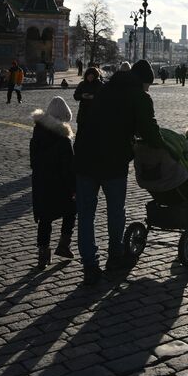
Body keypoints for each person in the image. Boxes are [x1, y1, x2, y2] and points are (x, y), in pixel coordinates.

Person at [75, 59, 162, 285]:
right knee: (115, 211)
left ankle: (90, 266)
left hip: (85, 156)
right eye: (148, 85)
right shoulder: (140, 97)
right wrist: (165, 146)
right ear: (144, 82)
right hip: (113, 161)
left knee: (86, 214)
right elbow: (149, 129)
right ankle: (115, 255)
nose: (148, 89)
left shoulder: (105, 88)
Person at [31, 95, 76, 266]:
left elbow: (33, 161)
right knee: (71, 210)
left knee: (45, 218)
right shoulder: (63, 140)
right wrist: (74, 188)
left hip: (41, 183)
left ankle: (43, 254)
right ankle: (64, 245)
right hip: (59, 185)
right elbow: (68, 169)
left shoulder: (38, 132)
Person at [72, 66, 103, 134]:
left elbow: (104, 97)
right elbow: (75, 96)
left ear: (95, 76)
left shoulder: (100, 85)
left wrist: (94, 97)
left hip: (95, 113)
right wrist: (82, 96)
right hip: (83, 113)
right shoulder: (82, 84)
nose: (90, 78)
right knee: (80, 133)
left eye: (92, 76)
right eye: (88, 76)